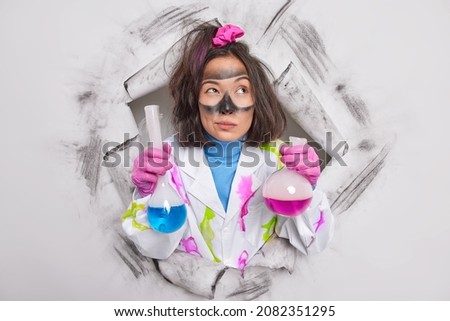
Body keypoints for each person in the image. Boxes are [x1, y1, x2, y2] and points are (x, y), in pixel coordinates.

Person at [122, 22, 334, 275]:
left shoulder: (280, 160)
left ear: (257, 100)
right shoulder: (165, 161)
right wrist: (147, 195)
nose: (227, 107)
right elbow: (154, 248)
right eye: (212, 90)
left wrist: (306, 189)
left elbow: (313, 243)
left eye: (241, 90)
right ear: (194, 99)